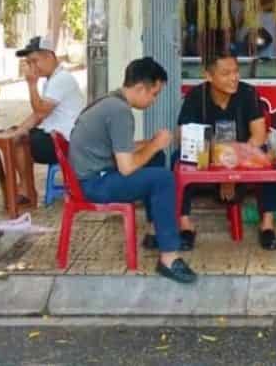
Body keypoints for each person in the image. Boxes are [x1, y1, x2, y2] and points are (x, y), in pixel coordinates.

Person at [69, 57, 197, 284]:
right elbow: (126, 168)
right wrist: (156, 143)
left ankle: (154, 231)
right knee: (164, 179)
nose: (154, 100)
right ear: (140, 88)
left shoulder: (111, 102)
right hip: (94, 184)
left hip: (93, 174)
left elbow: (121, 149)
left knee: (155, 156)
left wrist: (151, 144)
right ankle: (169, 257)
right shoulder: (120, 112)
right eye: (154, 94)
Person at [177, 49, 276, 251]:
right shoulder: (196, 96)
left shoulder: (248, 93)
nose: (234, 78)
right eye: (226, 74)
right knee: (179, 160)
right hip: (207, 160)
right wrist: (221, 166)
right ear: (208, 75)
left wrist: (233, 167)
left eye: (236, 71)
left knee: (269, 159)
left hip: (244, 160)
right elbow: (183, 134)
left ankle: (267, 224)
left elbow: (258, 135)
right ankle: (185, 225)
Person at [5, 36, 85, 202]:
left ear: (49, 56)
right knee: (15, 135)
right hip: (56, 137)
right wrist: (19, 128)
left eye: (35, 61)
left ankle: (27, 191)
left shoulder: (61, 79)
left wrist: (31, 85)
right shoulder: (53, 79)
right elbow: (38, 115)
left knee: (21, 140)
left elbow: (40, 111)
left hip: (66, 143)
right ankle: (25, 189)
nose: (33, 67)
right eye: (29, 63)